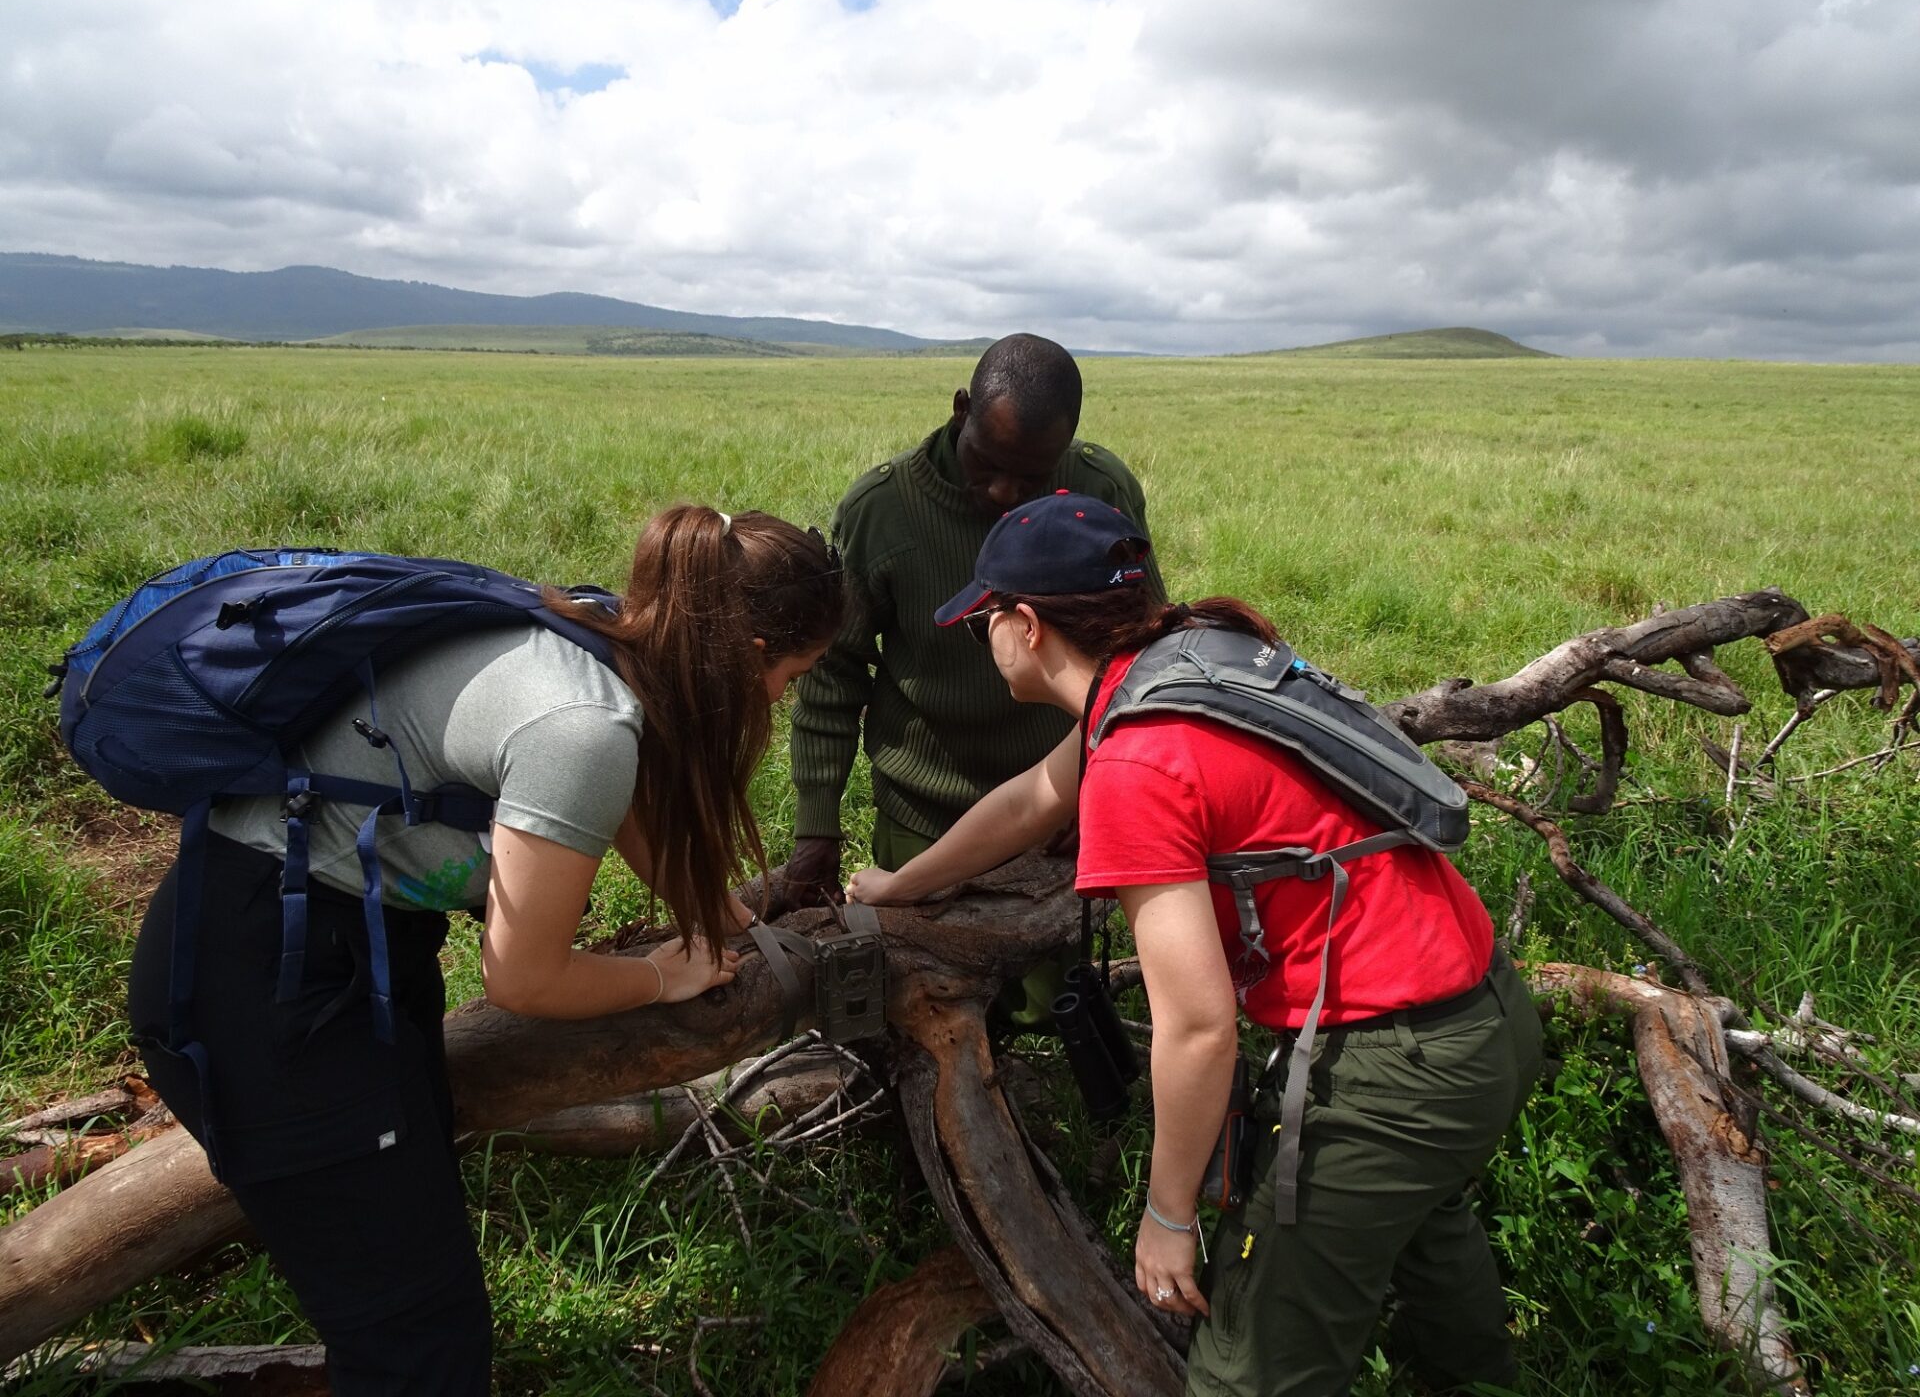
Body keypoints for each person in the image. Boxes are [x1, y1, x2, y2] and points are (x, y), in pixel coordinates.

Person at [127, 507, 844, 1396]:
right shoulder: (584, 723)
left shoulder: (597, 631)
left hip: (339, 944)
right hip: (268, 982)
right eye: (794, 674)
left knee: (411, 1297)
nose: (784, 699)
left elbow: (639, 821)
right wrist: (663, 974)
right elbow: (523, 978)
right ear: (751, 649)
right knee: (421, 1344)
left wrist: (728, 922)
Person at [846, 494, 1543, 1397]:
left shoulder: (1140, 758)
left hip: (1390, 1070)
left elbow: (1200, 1028)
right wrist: (905, 884)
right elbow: (1032, 800)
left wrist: (1168, 1215)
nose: (981, 637)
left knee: (1246, 1374)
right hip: (1486, 1020)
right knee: (1425, 1226)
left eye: (985, 619)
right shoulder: (1181, 662)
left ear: (1025, 626)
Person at [772, 333, 1161, 920]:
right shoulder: (882, 511)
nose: (1005, 494)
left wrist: (1101, 791)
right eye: (987, 464)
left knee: (1045, 1004)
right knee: (919, 986)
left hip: (1062, 806)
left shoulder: (1098, 490)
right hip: (922, 815)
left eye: (1031, 480)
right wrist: (816, 830)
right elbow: (834, 677)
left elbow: (1141, 652)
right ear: (961, 410)